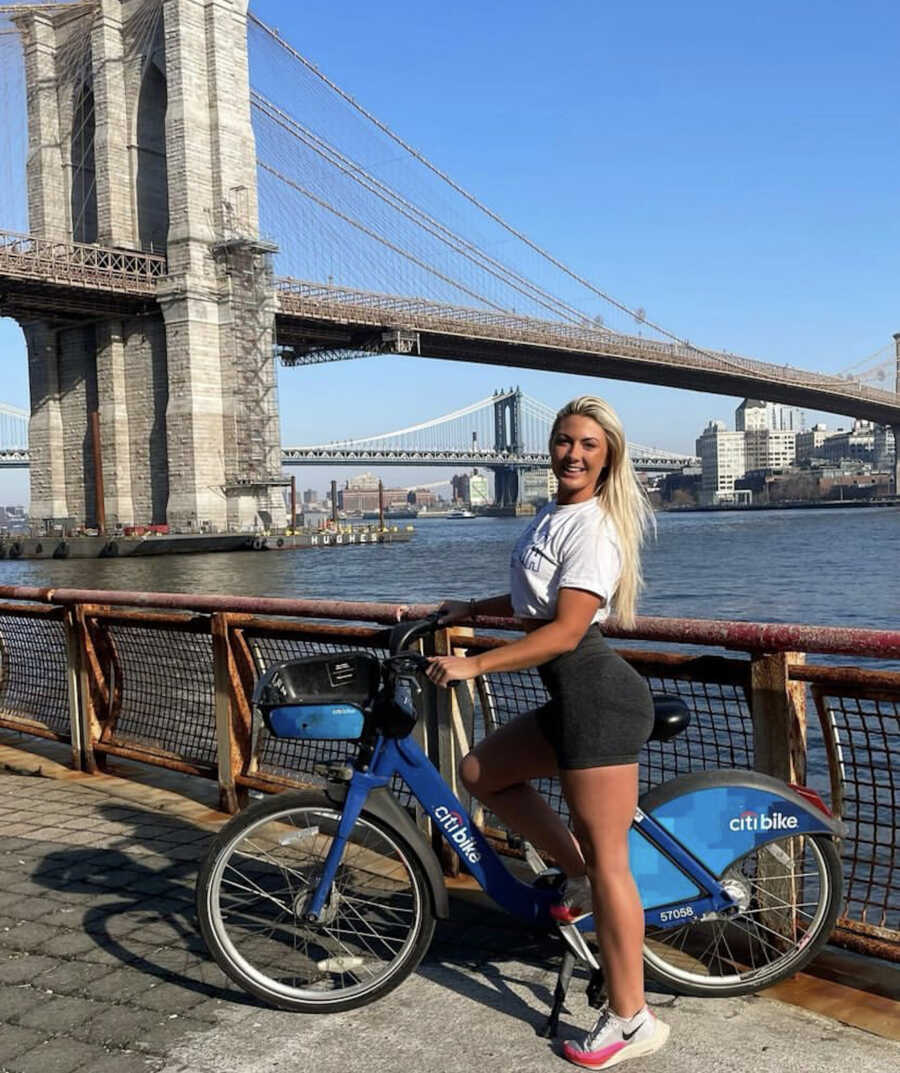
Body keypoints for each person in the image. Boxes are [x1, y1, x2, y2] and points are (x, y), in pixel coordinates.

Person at [425, 395, 669, 1070]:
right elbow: (537, 600)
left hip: (597, 699)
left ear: (607, 456)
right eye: (564, 440)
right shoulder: (551, 516)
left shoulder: (594, 528)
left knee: (612, 861)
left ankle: (631, 1016)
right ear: (550, 446)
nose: (573, 453)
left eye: (589, 444)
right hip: (568, 696)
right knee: (481, 773)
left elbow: (565, 629)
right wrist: (470, 608)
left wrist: (474, 660)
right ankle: (579, 876)